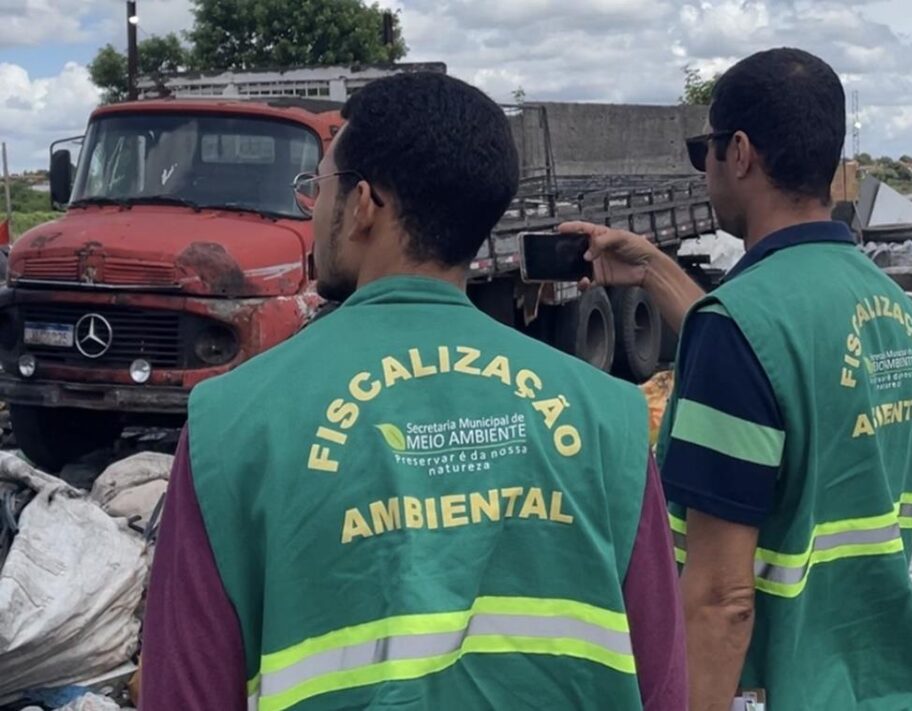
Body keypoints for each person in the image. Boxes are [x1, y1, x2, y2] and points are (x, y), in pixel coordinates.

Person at [140, 72, 686, 710]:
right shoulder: (609, 418)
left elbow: (185, 694)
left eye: (317, 186)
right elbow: (663, 683)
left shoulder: (231, 424)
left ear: (364, 204)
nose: (312, 209)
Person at [562, 48, 912, 711]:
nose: (707, 169)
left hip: (784, 688)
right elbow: (778, 364)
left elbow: (723, 599)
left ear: (739, 152)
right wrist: (652, 269)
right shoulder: (897, 315)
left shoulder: (741, 330)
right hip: (884, 688)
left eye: (704, 151)